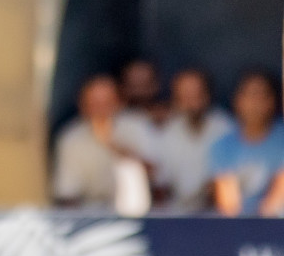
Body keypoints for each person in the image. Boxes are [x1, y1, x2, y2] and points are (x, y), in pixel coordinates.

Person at [51, 75, 152, 209]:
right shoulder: (71, 138)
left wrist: (113, 145)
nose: (101, 111)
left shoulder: (137, 126)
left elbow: (155, 176)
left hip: (140, 212)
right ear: (82, 106)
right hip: (91, 213)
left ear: (120, 103)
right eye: (94, 104)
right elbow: (67, 193)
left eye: (107, 103)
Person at [149, 68, 230, 213]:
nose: (191, 101)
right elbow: (161, 183)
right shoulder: (168, 132)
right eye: (185, 95)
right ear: (176, 98)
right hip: (176, 213)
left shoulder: (225, 129)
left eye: (196, 94)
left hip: (217, 213)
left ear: (207, 95)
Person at [209, 71, 284, 216]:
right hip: (239, 225)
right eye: (249, 95)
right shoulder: (223, 145)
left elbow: (278, 199)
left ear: (273, 101)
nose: (255, 103)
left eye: (262, 96)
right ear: (237, 100)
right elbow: (228, 205)